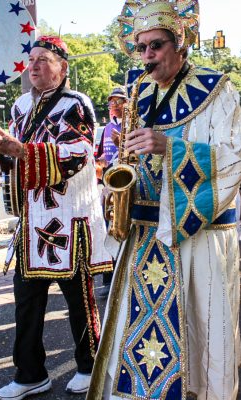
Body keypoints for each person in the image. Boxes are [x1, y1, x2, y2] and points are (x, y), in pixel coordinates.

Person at [87, 1, 241, 398]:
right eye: (140, 48)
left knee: (202, 328)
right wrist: (118, 173)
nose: (146, 56)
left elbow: (236, 155)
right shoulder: (139, 90)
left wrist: (171, 148)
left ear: (181, 43)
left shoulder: (218, 88)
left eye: (156, 46)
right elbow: (130, 157)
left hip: (198, 236)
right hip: (144, 234)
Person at [0, 36, 113, 398]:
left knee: (79, 299)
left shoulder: (76, 104)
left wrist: (21, 150)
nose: (34, 66)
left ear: (62, 67)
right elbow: (14, 155)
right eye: (32, 60)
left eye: (44, 59)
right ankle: (29, 374)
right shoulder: (20, 105)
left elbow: (78, 153)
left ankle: (91, 365)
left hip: (69, 216)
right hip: (33, 219)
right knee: (26, 300)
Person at [95, 86, 128, 299]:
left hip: (127, 182)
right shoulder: (107, 128)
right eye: (110, 103)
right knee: (110, 229)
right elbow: (99, 155)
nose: (113, 106)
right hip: (109, 184)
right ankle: (109, 279)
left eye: (118, 102)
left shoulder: (133, 124)